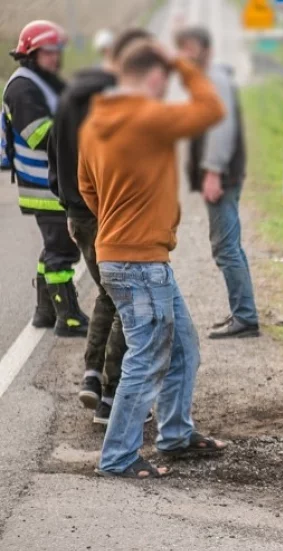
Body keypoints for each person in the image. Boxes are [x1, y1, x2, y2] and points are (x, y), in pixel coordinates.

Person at [77, 42, 226, 478]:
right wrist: (182, 62)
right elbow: (211, 108)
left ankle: (176, 433)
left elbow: (88, 190)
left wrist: (122, 216)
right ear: (155, 77)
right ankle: (119, 456)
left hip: (123, 256)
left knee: (182, 347)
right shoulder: (150, 116)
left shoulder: (93, 124)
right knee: (146, 358)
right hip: (141, 262)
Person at [48, 27, 152, 422]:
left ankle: (92, 376)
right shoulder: (112, 101)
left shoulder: (67, 97)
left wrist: (68, 200)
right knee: (130, 298)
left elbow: (52, 158)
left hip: (77, 215)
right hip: (106, 213)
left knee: (110, 294)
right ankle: (112, 395)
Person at [2, 20, 88, 337]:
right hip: (43, 185)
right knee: (63, 251)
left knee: (54, 247)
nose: (55, 57)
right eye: (48, 52)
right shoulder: (22, 88)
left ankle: (44, 312)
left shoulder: (44, 80)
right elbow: (39, 135)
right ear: (31, 53)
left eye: (57, 51)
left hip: (54, 182)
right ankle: (69, 318)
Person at [175, 26, 260, 339]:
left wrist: (212, 171)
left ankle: (246, 318)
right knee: (229, 245)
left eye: (191, 47)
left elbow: (220, 127)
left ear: (206, 49)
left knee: (226, 248)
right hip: (222, 174)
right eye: (182, 47)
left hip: (221, 176)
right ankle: (243, 312)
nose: (186, 54)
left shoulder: (214, 79)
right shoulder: (205, 79)